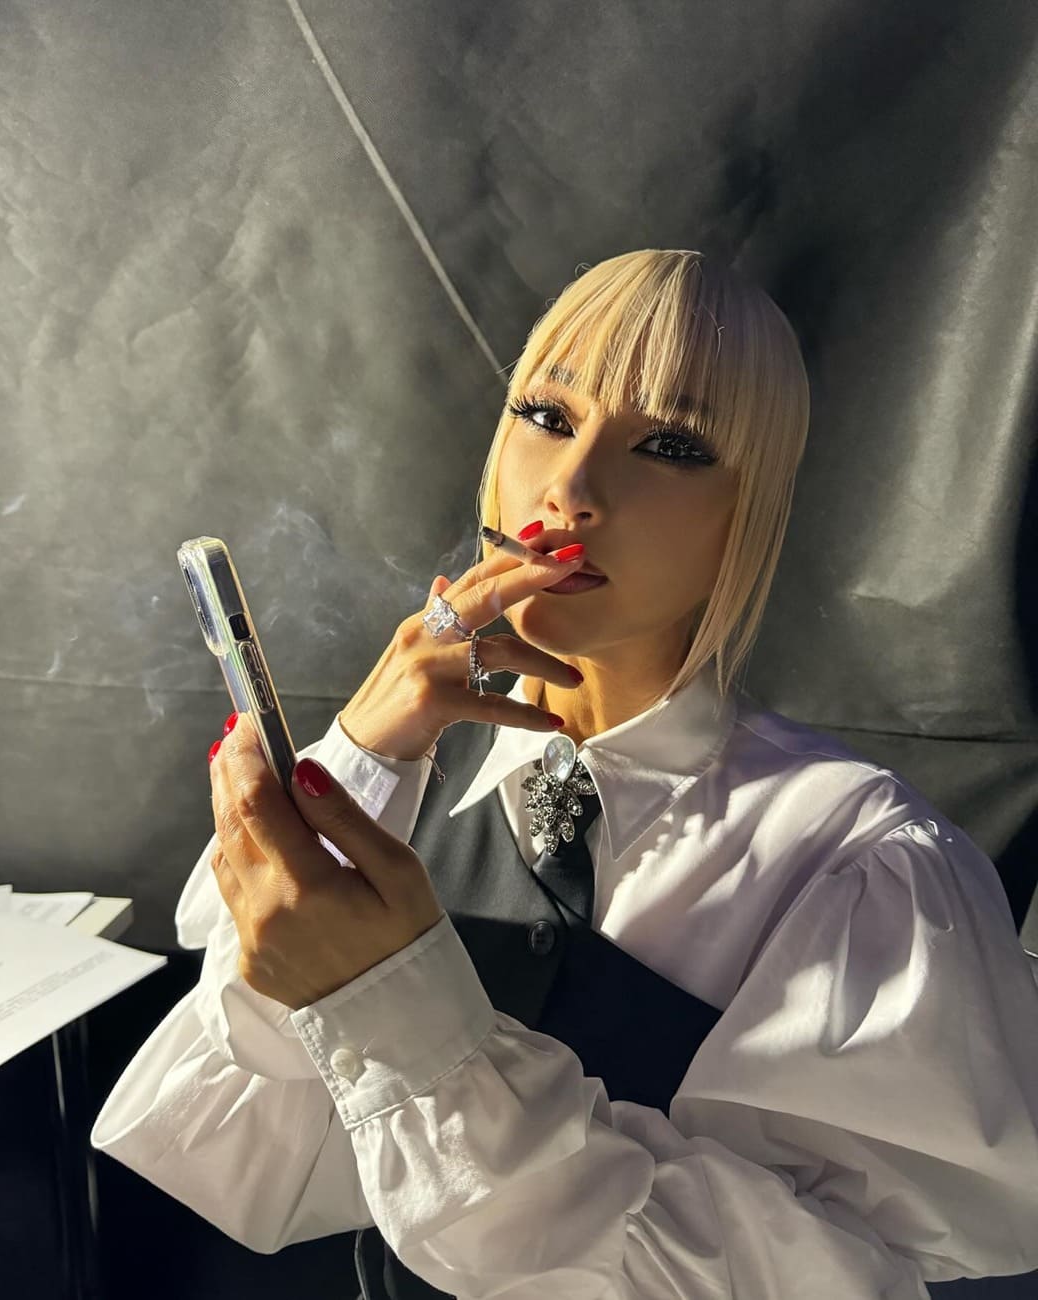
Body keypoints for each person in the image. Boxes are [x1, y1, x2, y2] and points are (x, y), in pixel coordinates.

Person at [92, 249, 1038, 1298]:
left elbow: (824, 1279)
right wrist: (353, 764)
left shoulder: (853, 866)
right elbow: (240, 1162)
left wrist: (404, 1019)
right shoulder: (397, 777)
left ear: (753, 508)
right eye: (546, 415)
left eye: (669, 445)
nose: (572, 488)